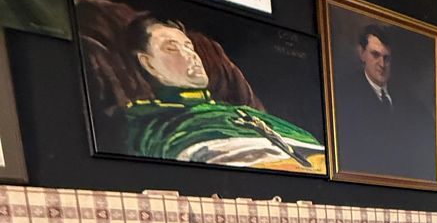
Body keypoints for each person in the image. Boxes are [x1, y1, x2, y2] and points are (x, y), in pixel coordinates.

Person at [124, 15, 326, 173]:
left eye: (189, 46)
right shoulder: (151, 122)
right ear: (148, 63)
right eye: (171, 48)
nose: (191, 55)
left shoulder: (241, 112)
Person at [332, 24, 436, 181]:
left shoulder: (408, 99)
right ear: (362, 54)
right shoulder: (343, 94)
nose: (382, 64)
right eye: (375, 55)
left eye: (386, 58)